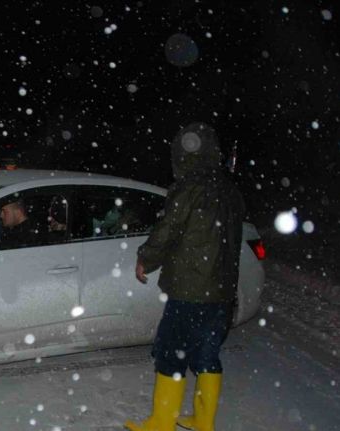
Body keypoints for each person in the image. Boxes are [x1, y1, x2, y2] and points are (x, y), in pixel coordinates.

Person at [124, 123, 245, 431]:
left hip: (191, 289)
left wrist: (145, 259)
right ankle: (204, 422)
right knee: (207, 355)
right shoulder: (229, 189)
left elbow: (167, 230)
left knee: (170, 351)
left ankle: (162, 423)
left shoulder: (189, 187)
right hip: (222, 291)